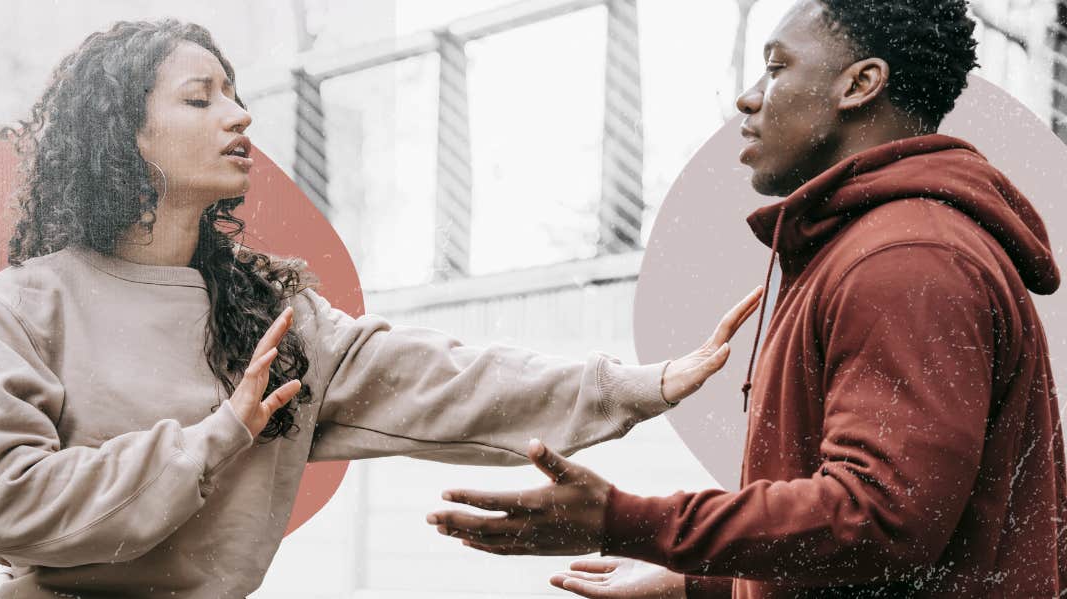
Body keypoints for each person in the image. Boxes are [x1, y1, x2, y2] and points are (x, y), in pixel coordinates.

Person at [0, 18, 764, 598]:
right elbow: (10, 504)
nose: (241, 116)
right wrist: (220, 434)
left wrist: (639, 383)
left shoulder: (273, 315)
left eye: (235, 95)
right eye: (201, 100)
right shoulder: (20, 308)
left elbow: (447, 381)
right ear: (123, 135)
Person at [427, 0, 1067, 597]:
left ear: (860, 83)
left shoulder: (906, 260)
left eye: (777, 67)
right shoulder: (878, 246)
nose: (749, 97)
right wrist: (696, 581)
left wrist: (628, 521)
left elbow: (880, 522)